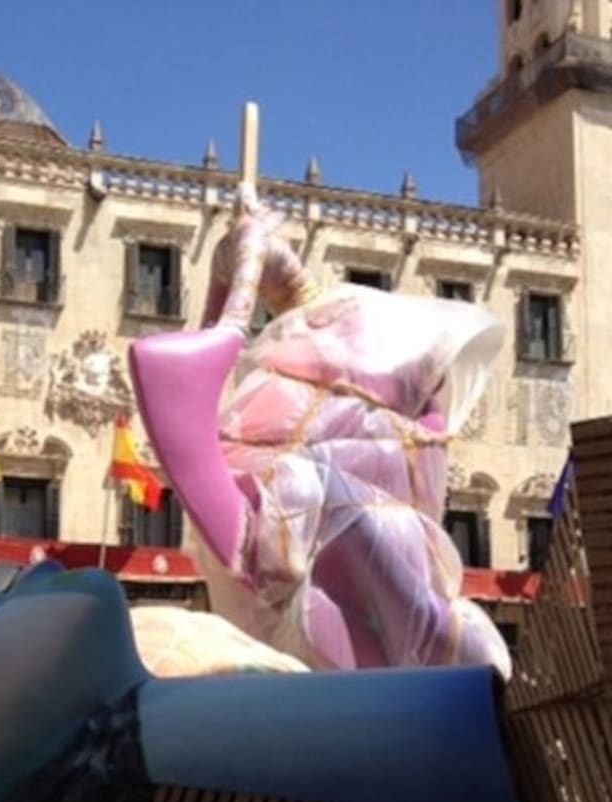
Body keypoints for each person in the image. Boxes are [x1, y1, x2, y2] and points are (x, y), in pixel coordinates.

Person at [131, 186, 511, 676]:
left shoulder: (348, 474)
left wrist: (243, 300)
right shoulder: (362, 451)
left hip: (356, 630)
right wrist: (248, 293)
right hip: (361, 642)